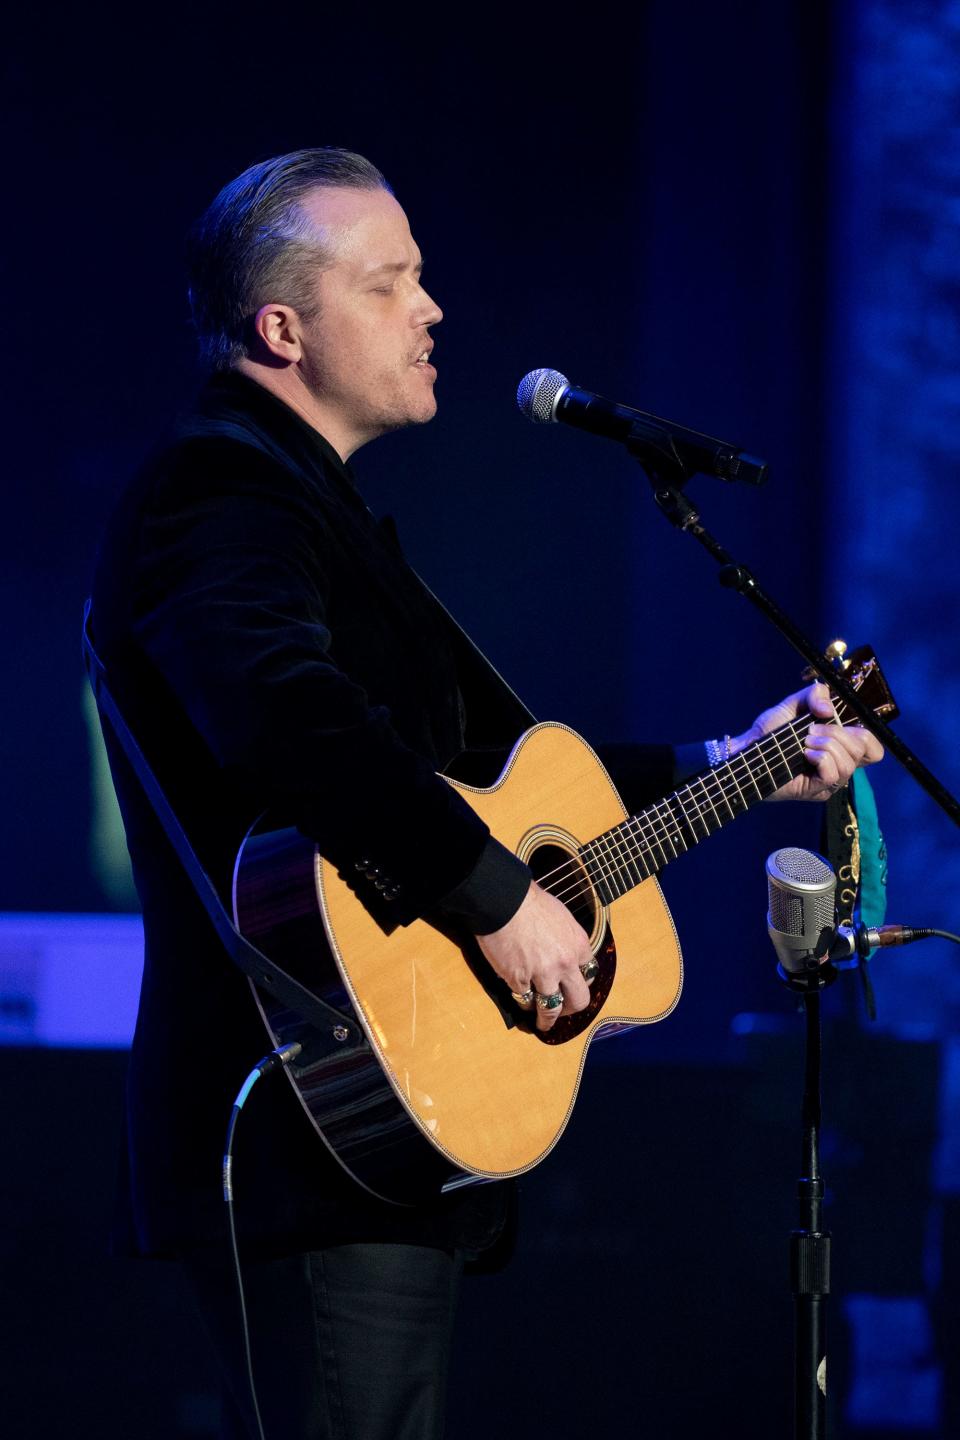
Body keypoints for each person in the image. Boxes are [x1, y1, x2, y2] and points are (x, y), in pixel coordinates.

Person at [89, 148, 882, 1440]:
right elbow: (288, 714)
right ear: (284, 328)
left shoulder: (314, 510)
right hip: (311, 1122)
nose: (434, 308)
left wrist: (738, 764)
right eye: (391, 280)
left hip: (385, 1135)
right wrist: (490, 899)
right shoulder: (218, 489)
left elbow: (505, 787)